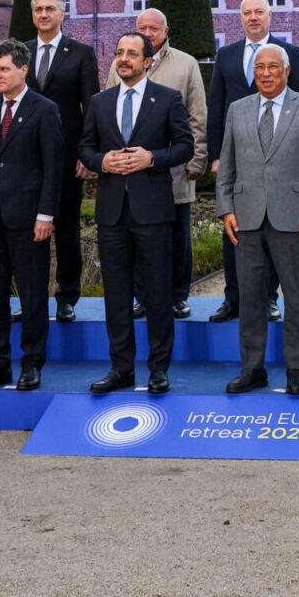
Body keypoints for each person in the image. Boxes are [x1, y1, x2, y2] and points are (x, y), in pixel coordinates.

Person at [79, 32, 195, 395]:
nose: (123, 58)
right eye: (119, 52)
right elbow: (85, 147)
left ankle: (159, 369)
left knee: (158, 294)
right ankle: (121, 368)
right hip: (112, 213)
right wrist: (103, 162)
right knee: (116, 296)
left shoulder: (167, 98)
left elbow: (186, 146)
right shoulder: (100, 102)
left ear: (147, 61)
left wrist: (152, 158)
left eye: (132, 53)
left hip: (154, 212)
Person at [215, 44, 299, 396]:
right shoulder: (237, 109)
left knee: (295, 295)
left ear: (287, 70)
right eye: (259, 67)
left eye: (273, 67)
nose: (266, 73)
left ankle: (296, 368)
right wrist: (226, 209)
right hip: (246, 216)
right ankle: (253, 368)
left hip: (292, 217)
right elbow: (226, 165)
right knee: (250, 296)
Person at [0, 40, 64, 391]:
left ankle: (32, 363)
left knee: (33, 296)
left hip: (29, 220)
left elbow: (54, 167)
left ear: (23, 70)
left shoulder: (45, 110)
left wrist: (46, 215)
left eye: (4, 69)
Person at [207, 0, 299, 323]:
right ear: (241, 17)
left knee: (275, 225)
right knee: (235, 228)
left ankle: (268, 298)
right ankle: (233, 298)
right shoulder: (226, 55)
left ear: (269, 16)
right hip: (239, 158)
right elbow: (216, 106)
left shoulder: (290, 53)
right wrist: (216, 156)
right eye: (247, 12)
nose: (253, 17)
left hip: (279, 157)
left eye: (259, 12)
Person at [26, 0, 99, 321]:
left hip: (68, 156)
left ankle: (67, 297)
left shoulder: (81, 53)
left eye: (50, 9)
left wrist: (87, 152)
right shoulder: (21, 52)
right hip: (27, 158)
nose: (44, 14)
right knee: (28, 230)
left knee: (67, 229)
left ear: (62, 14)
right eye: (38, 9)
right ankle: (32, 298)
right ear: (32, 15)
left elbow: (91, 106)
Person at [135, 6, 208, 321]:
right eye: (142, 28)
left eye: (154, 28)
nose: (148, 33)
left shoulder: (186, 64)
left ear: (166, 32)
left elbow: (198, 115)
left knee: (178, 235)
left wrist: (198, 158)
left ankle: (178, 296)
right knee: (138, 235)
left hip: (175, 166)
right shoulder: (122, 62)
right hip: (134, 168)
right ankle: (142, 297)